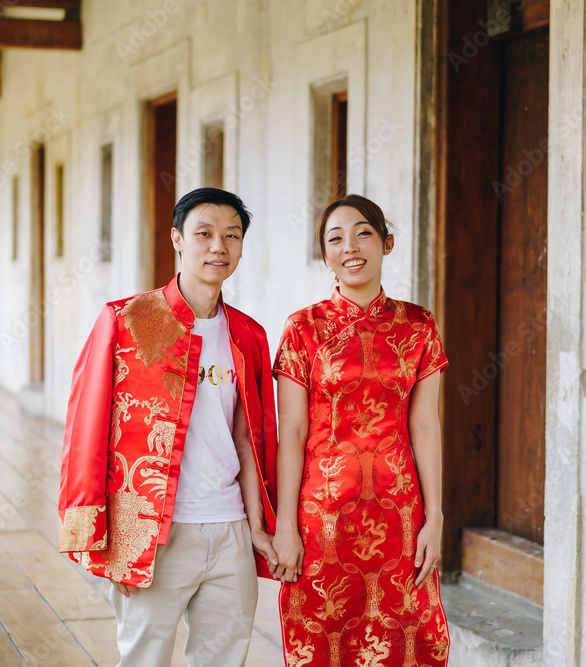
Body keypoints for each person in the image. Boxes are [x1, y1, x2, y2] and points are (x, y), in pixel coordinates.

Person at [57, 187, 279, 667]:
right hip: (154, 530)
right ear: (178, 238)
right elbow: (86, 425)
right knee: (144, 658)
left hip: (231, 530)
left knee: (224, 659)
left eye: (231, 236)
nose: (218, 246)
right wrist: (93, 528)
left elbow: (250, 438)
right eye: (204, 234)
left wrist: (259, 527)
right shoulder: (128, 320)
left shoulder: (249, 334)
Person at [271, 194, 451, 665]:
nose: (350, 246)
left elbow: (426, 425)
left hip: (400, 518)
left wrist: (435, 516)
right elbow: (290, 429)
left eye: (363, 233)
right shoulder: (302, 328)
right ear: (326, 255)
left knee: (410, 641)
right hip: (321, 518)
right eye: (335, 238)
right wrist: (285, 525)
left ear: (387, 243)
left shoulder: (419, 326)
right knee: (322, 643)